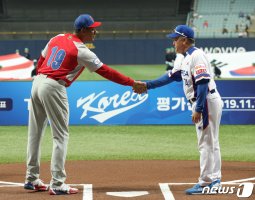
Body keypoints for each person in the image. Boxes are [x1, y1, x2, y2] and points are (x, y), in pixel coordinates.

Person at [24, 13, 144, 195]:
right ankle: (57, 183)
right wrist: (131, 82)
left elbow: (41, 60)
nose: (95, 32)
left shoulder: (57, 38)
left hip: (38, 82)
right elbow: (106, 71)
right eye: (91, 29)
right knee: (60, 136)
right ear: (82, 30)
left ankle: (31, 178)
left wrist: (42, 76)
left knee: (35, 133)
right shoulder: (81, 50)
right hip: (53, 86)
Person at [134, 25, 223, 195]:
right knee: (211, 142)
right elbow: (171, 76)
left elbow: (203, 82)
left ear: (184, 40)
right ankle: (215, 179)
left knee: (205, 143)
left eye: (175, 39)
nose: (173, 42)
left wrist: (198, 108)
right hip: (207, 101)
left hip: (205, 101)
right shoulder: (186, 57)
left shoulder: (196, 55)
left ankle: (206, 183)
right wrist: (147, 85)